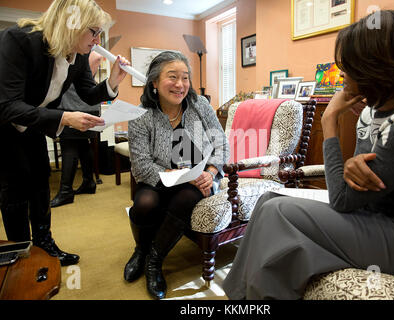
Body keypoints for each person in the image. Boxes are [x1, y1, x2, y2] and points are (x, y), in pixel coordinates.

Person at [222, 10, 394, 299]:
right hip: (375, 219)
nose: (342, 75)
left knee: (277, 211)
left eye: (349, 67)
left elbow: (342, 199)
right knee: (269, 202)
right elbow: (352, 186)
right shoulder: (373, 111)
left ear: (376, 68)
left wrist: (329, 120)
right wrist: (351, 163)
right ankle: (242, 299)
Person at [0, 0, 130, 266]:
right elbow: (8, 105)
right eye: (93, 31)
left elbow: (89, 93)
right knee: (15, 188)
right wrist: (64, 118)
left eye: (99, 33)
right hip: (4, 126)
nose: (97, 39)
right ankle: (21, 255)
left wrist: (113, 80)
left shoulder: (77, 56)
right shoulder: (19, 40)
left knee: (39, 182)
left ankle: (44, 245)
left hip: (33, 125)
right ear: (72, 24)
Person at [125, 51, 229, 299]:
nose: (180, 84)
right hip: (158, 178)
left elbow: (221, 144)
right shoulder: (140, 115)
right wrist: (182, 175)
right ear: (154, 82)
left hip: (196, 181)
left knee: (187, 198)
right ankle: (140, 250)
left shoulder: (199, 105)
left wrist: (211, 172)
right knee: (145, 202)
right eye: (172, 77)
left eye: (185, 78)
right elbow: (141, 167)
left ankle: (153, 260)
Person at [50, 51, 103, 208]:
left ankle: (66, 191)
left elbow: (97, 57)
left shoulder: (81, 52)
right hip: (86, 106)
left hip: (75, 105)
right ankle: (88, 182)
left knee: (69, 146)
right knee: (82, 145)